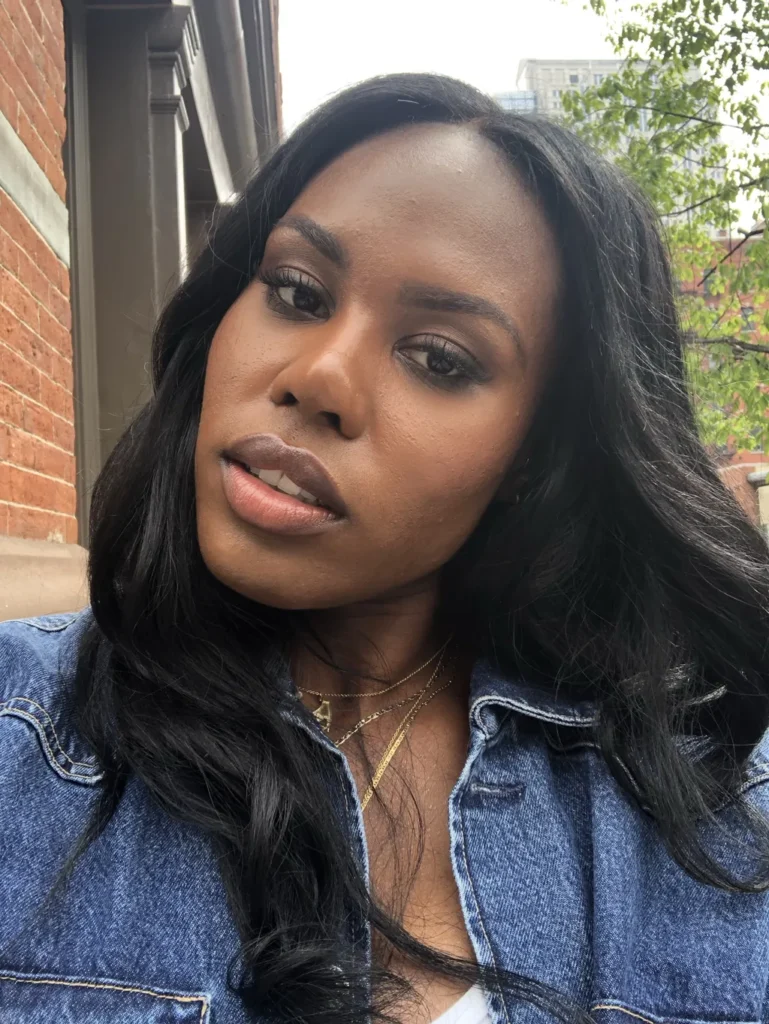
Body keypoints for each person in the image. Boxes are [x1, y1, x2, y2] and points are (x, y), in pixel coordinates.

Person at [2, 72, 769, 1024]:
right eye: (295, 291)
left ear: (534, 456)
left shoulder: (715, 797)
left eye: (438, 358)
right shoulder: (20, 734)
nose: (319, 376)